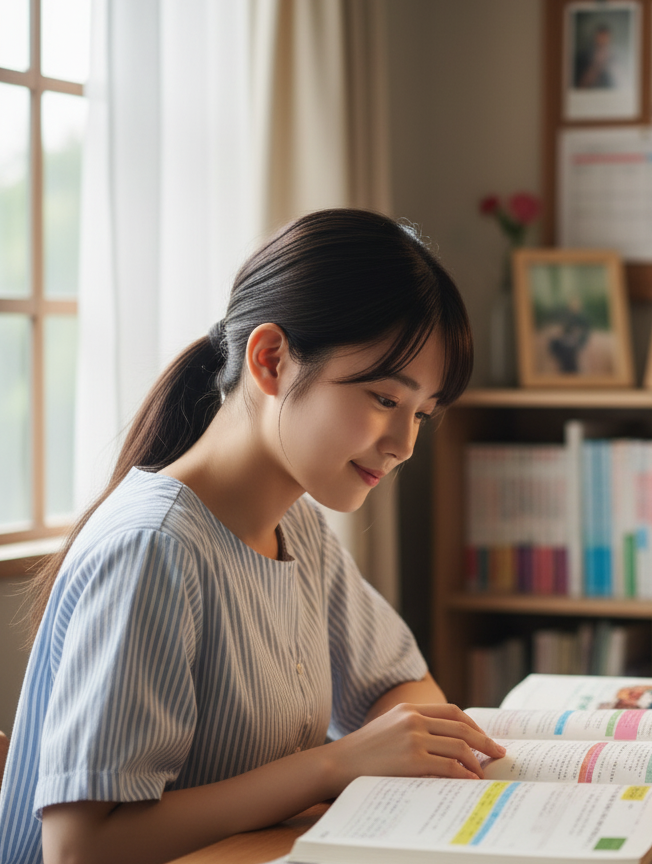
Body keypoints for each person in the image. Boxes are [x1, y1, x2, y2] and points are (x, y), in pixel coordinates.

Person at [0, 210, 506, 864]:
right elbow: (81, 847)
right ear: (271, 360)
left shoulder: (298, 527)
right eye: (385, 399)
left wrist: (397, 742)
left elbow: (400, 688)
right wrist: (332, 766)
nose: (404, 445)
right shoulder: (154, 547)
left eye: (421, 414)